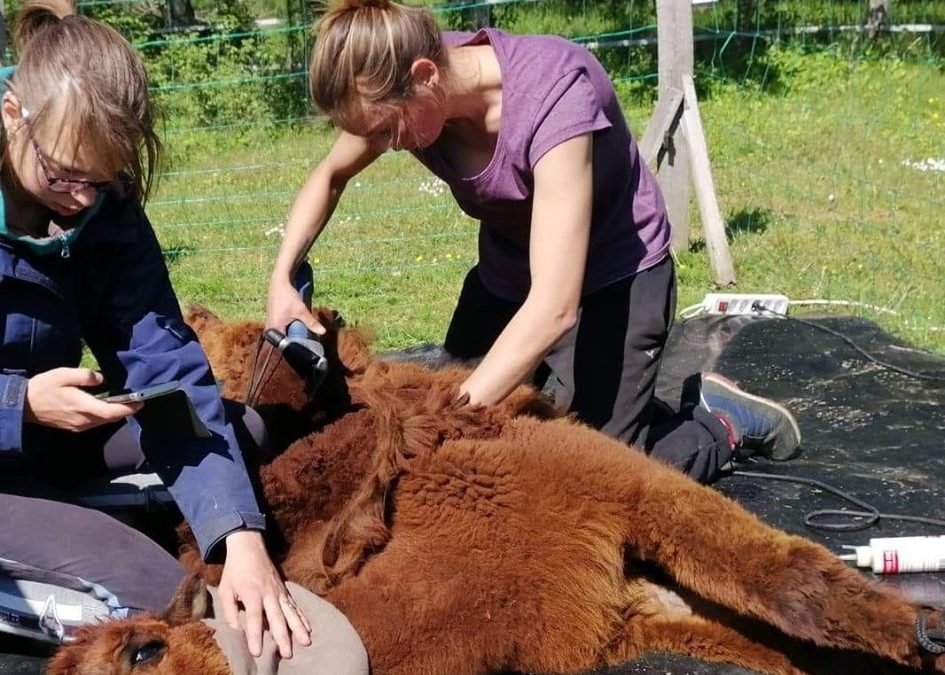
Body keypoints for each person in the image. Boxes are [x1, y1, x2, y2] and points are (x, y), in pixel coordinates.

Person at [266, 0, 802, 484]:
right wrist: (282, 277)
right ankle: (618, 402)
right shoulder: (394, 77)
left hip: (614, 276)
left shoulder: (555, 94)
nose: (380, 145)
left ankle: (718, 422)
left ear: (425, 76)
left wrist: (443, 418)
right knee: (479, 433)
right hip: (510, 270)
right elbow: (329, 175)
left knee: (595, 475)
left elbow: (553, 308)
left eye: (386, 131)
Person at [0, 3, 364, 669]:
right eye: (62, 175)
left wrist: (239, 537)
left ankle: (67, 514)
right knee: (157, 591)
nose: (81, 200)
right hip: (19, 421)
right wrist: (17, 404)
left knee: (241, 432)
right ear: (10, 113)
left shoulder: (105, 211)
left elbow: (166, 366)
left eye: (99, 180)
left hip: (42, 437)